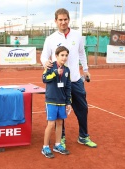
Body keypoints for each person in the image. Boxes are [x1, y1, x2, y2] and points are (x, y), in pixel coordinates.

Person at [40, 8, 97, 148]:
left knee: (82, 108)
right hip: (58, 81)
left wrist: (86, 69)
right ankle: (62, 138)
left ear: (69, 20)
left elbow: (82, 54)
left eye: (65, 19)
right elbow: (43, 55)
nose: (63, 22)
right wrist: (45, 62)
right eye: (60, 20)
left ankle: (83, 136)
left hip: (76, 80)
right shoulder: (51, 39)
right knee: (60, 111)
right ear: (56, 21)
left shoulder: (77, 36)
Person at [41, 46, 72, 158]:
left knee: (60, 123)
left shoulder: (67, 70)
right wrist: (55, 73)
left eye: (66, 55)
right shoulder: (50, 66)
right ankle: (45, 147)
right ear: (57, 56)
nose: (64, 58)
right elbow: (44, 79)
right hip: (51, 101)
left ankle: (57, 145)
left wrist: (68, 102)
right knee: (51, 124)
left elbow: (68, 87)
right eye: (62, 55)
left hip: (62, 101)